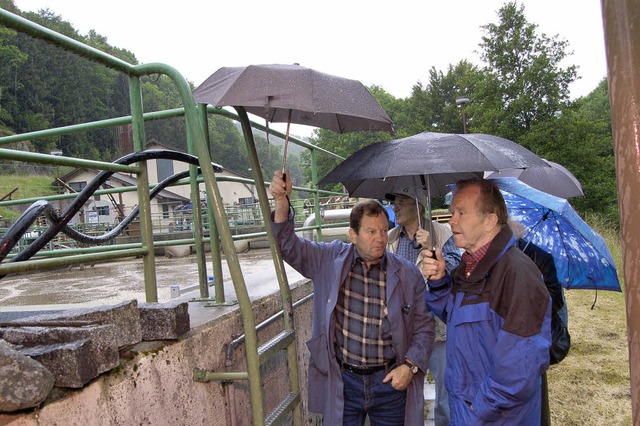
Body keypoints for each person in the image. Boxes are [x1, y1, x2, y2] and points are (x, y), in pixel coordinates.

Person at [269, 170, 434, 425]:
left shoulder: (407, 273)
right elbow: (289, 246)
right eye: (370, 232)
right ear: (353, 235)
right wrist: (282, 203)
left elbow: (424, 326)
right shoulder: (329, 260)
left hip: (390, 383)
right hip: (344, 382)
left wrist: (410, 366)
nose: (380, 239)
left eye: (383, 230)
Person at [421, 177, 551, 425]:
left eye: (461, 213)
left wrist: (478, 409)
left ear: (490, 220)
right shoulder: (470, 266)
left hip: (495, 417)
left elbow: (519, 367)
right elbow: (456, 316)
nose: (452, 220)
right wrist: (439, 281)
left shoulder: (517, 274)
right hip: (466, 408)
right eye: (452, 212)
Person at [385, 192, 461, 426]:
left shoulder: (441, 233)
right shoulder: (390, 238)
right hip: (405, 328)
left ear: (419, 206)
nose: (395, 208)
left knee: (445, 393)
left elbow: (458, 271)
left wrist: (432, 248)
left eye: (401, 203)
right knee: (408, 392)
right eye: (394, 204)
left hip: (438, 326)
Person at [510, 220, 570, 426]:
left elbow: (556, 299)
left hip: (532, 339)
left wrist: (529, 295)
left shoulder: (539, 255)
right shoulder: (487, 259)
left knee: (534, 401)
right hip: (503, 343)